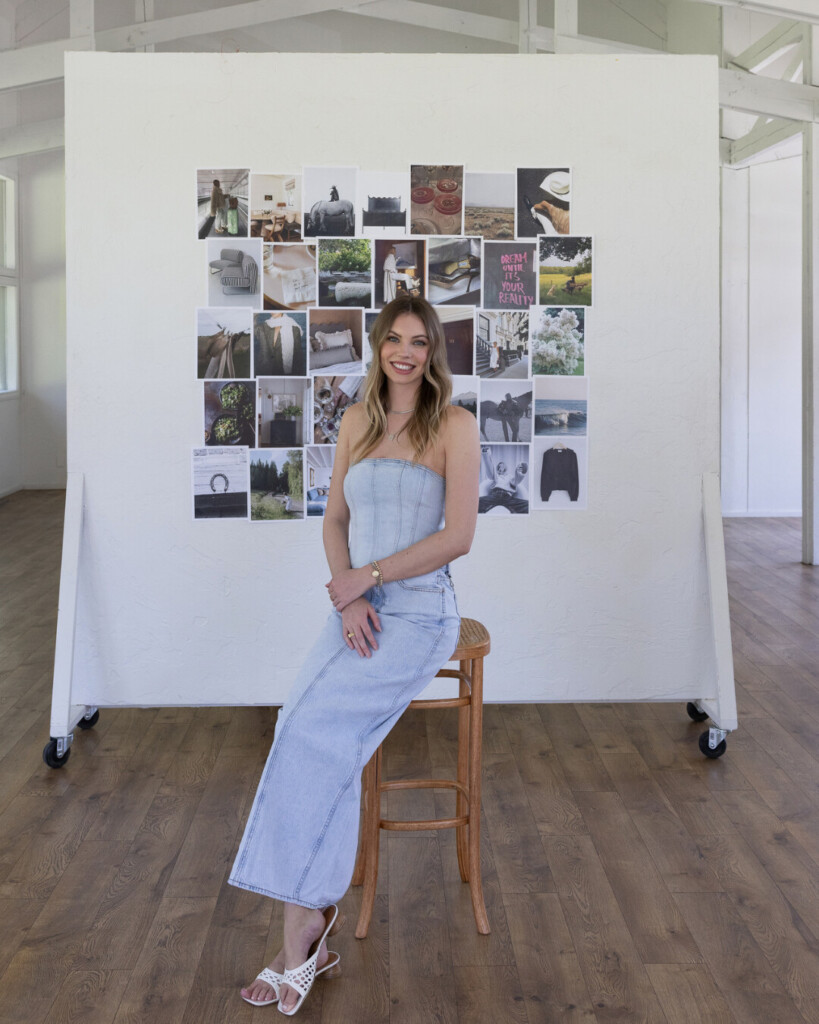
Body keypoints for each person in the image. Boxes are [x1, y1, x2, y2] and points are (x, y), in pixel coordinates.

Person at [230, 294, 480, 1015]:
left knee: (317, 734)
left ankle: (299, 937)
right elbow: (335, 518)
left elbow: (457, 536)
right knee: (298, 728)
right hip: (358, 610)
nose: (404, 352)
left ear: (433, 351)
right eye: (393, 339)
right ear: (376, 347)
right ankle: (306, 924)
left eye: (419, 341)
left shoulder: (453, 427)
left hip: (418, 611)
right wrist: (349, 598)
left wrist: (368, 580)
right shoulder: (356, 421)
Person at [478, 447, 529, 513]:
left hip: (508, 497)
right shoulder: (496, 476)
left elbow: (515, 482)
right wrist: (486, 454)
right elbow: (490, 472)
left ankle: (520, 472)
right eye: (499, 466)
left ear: (505, 467)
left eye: (502, 466)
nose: (500, 467)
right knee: (477, 503)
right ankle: (486, 453)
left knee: (526, 505)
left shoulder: (509, 476)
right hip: (495, 495)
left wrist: (519, 473)